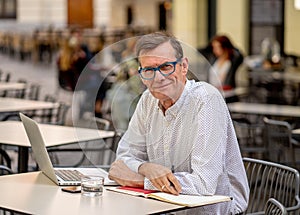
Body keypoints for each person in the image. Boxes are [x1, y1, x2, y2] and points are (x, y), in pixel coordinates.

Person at [108, 31, 249, 214]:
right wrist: (146, 167)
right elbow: (124, 159)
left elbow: (203, 184)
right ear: (141, 75)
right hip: (163, 208)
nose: (158, 78)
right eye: (149, 70)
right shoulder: (147, 100)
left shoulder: (206, 100)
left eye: (166, 67)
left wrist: (141, 180)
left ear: (183, 66)